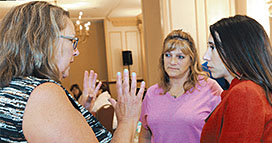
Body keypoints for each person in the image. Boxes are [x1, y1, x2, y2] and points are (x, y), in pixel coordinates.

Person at [0, 1, 145, 143]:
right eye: (72, 41)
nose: (76, 52)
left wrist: (77, 111)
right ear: (46, 42)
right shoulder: (42, 94)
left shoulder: (12, 87)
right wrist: (127, 120)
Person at [201, 15, 272, 142]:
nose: (206, 56)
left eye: (212, 47)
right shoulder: (250, 89)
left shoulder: (245, 92)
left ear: (235, 49)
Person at [139, 29, 222, 143]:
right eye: (168, 55)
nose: (172, 62)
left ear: (191, 60)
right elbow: (145, 136)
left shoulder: (210, 88)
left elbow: (224, 133)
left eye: (180, 57)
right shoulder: (152, 93)